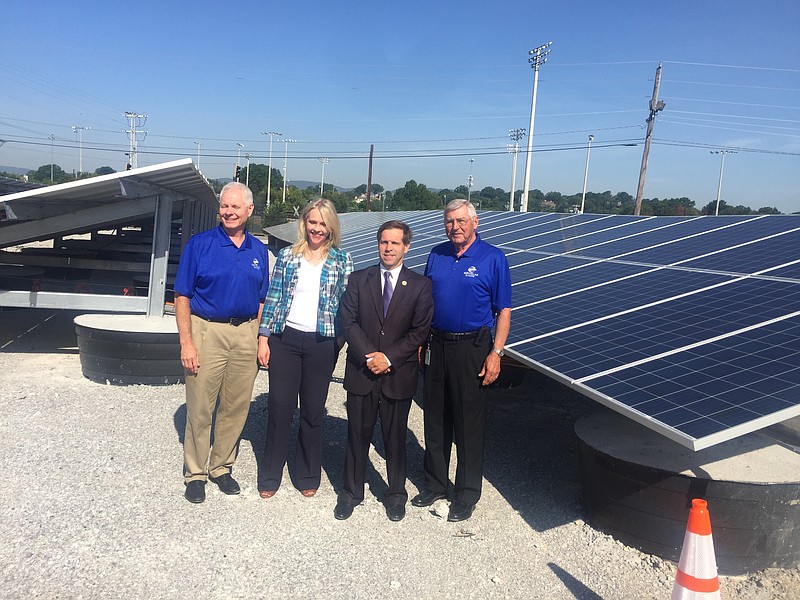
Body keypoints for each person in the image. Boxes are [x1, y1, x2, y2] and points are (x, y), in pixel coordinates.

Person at [412, 198, 512, 522]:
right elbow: (427, 301)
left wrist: (496, 354)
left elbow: (504, 310)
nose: (455, 226)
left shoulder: (493, 259)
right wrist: (420, 339)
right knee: (436, 419)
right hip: (436, 344)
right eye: (449, 221)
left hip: (472, 348)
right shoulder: (436, 255)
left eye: (460, 221)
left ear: (475, 222)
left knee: (468, 424)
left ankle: (466, 494)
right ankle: (434, 484)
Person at [175, 182, 269, 504]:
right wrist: (187, 342)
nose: (228, 212)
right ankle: (196, 473)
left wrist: (261, 338)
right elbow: (182, 296)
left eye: (235, 207)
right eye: (224, 206)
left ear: (249, 211)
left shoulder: (258, 252)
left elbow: (262, 299)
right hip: (207, 331)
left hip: (245, 333)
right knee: (201, 405)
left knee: (236, 406)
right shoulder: (199, 246)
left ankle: (221, 467)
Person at [334, 221, 433, 522]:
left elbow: (419, 331)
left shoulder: (420, 285)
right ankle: (351, 492)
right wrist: (369, 355)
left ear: (406, 247)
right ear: (378, 245)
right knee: (357, 435)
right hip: (361, 372)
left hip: (397, 374)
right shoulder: (358, 279)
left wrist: (388, 357)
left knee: (395, 438)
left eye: (395, 243)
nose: (388, 248)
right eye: (383, 242)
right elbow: (347, 321)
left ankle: (395, 494)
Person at [257, 199, 353, 499]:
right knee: (279, 408)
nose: (317, 229)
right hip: (285, 340)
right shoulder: (287, 256)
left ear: (331, 227)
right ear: (304, 223)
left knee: (313, 412)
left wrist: (338, 342)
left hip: (321, 343)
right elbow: (273, 298)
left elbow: (346, 306)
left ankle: (307, 473)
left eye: (323, 224)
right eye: (312, 222)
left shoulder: (341, 261)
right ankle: (270, 474)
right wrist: (264, 337)